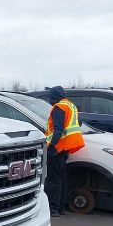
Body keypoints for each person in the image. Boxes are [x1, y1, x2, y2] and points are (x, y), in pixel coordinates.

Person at [44, 86, 85, 216]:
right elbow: (78, 123)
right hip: (65, 147)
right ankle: (60, 208)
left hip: (57, 147)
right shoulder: (71, 106)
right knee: (61, 178)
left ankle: (53, 209)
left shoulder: (59, 107)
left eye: (50, 96)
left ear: (55, 96)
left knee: (53, 179)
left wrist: (52, 147)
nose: (49, 99)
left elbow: (58, 129)